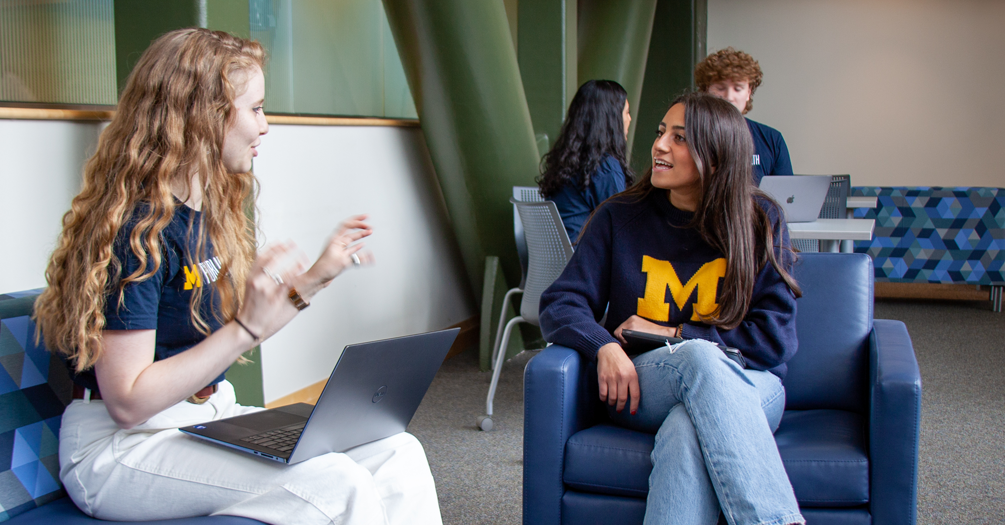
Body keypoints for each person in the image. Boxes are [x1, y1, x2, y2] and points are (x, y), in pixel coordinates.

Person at [33, 28, 441, 525]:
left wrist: (316, 275)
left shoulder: (206, 210)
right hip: (122, 448)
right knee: (335, 483)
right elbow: (128, 401)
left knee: (395, 451)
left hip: (203, 418)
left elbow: (248, 323)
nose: (265, 126)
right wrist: (243, 329)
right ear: (203, 116)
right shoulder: (135, 230)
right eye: (256, 109)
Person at [538, 92, 805, 525]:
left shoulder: (759, 220)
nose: (659, 145)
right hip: (647, 382)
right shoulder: (620, 215)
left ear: (716, 158)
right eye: (662, 132)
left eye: (679, 139)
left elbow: (773, 339)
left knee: (686, 427)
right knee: (697, 359)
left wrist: (674, 335)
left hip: (751, 384)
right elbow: (560, 301)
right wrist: (603, 345)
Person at [536, 79, 633, 242]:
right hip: (585, 262)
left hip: (566, 260)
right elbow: (622, 231)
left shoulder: (567, 161)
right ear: (612, 119)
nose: (629, 119)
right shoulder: (606, 168)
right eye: (627, 112)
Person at [695, 47, 792, 185]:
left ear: (748, 93)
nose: (729, 97)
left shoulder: (772, 139)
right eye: (720, 88)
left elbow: (786, 198)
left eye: (738, 88)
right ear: (706, 90)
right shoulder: (690, 136)